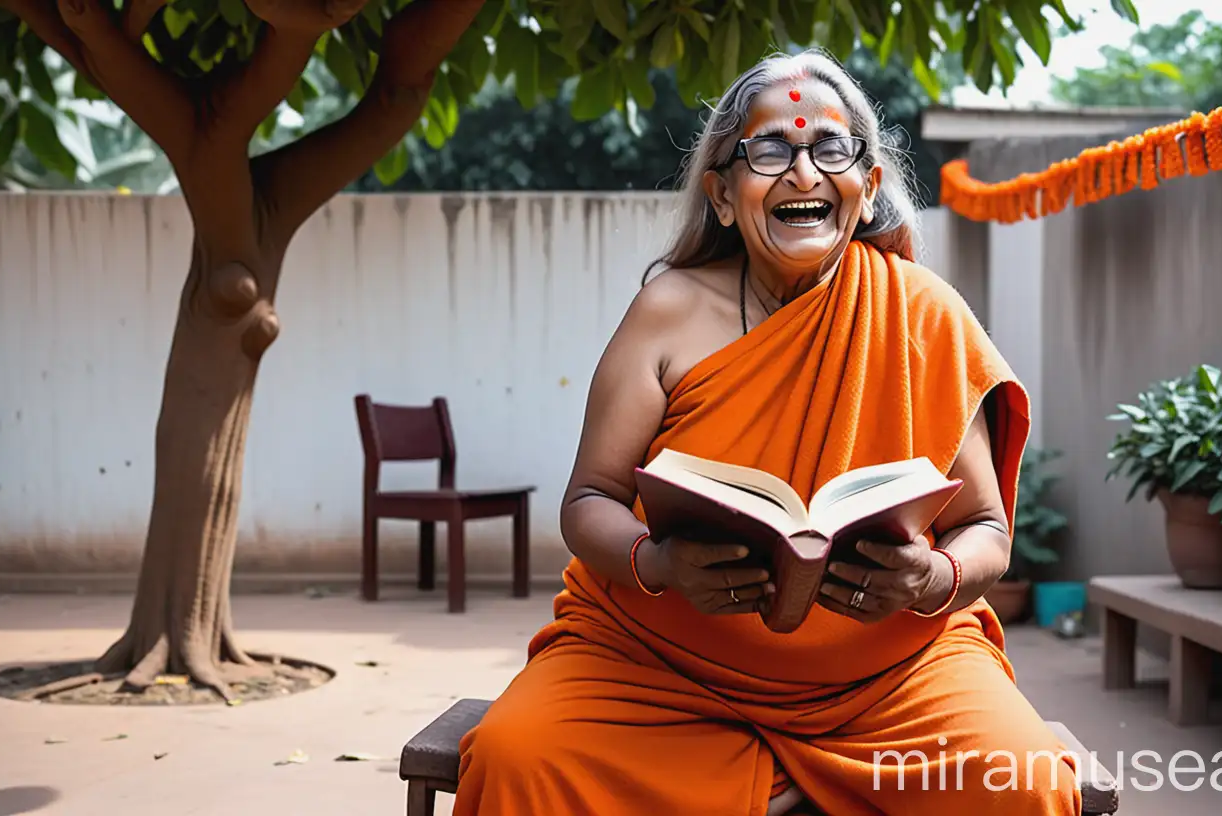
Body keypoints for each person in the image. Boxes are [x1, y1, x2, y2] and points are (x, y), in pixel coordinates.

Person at [452, 50, 1080, 816]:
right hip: (658, 665)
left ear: (868, 185)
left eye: (831, 149)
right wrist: (657, 563)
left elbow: (985, 526)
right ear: (721, 194)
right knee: (520, 756)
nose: (804, 173)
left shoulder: (923, 314)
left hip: (890, 677)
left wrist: (930, 580)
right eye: (771, 150)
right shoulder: (668, 314)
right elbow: (589, 499)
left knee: (1024, 780)